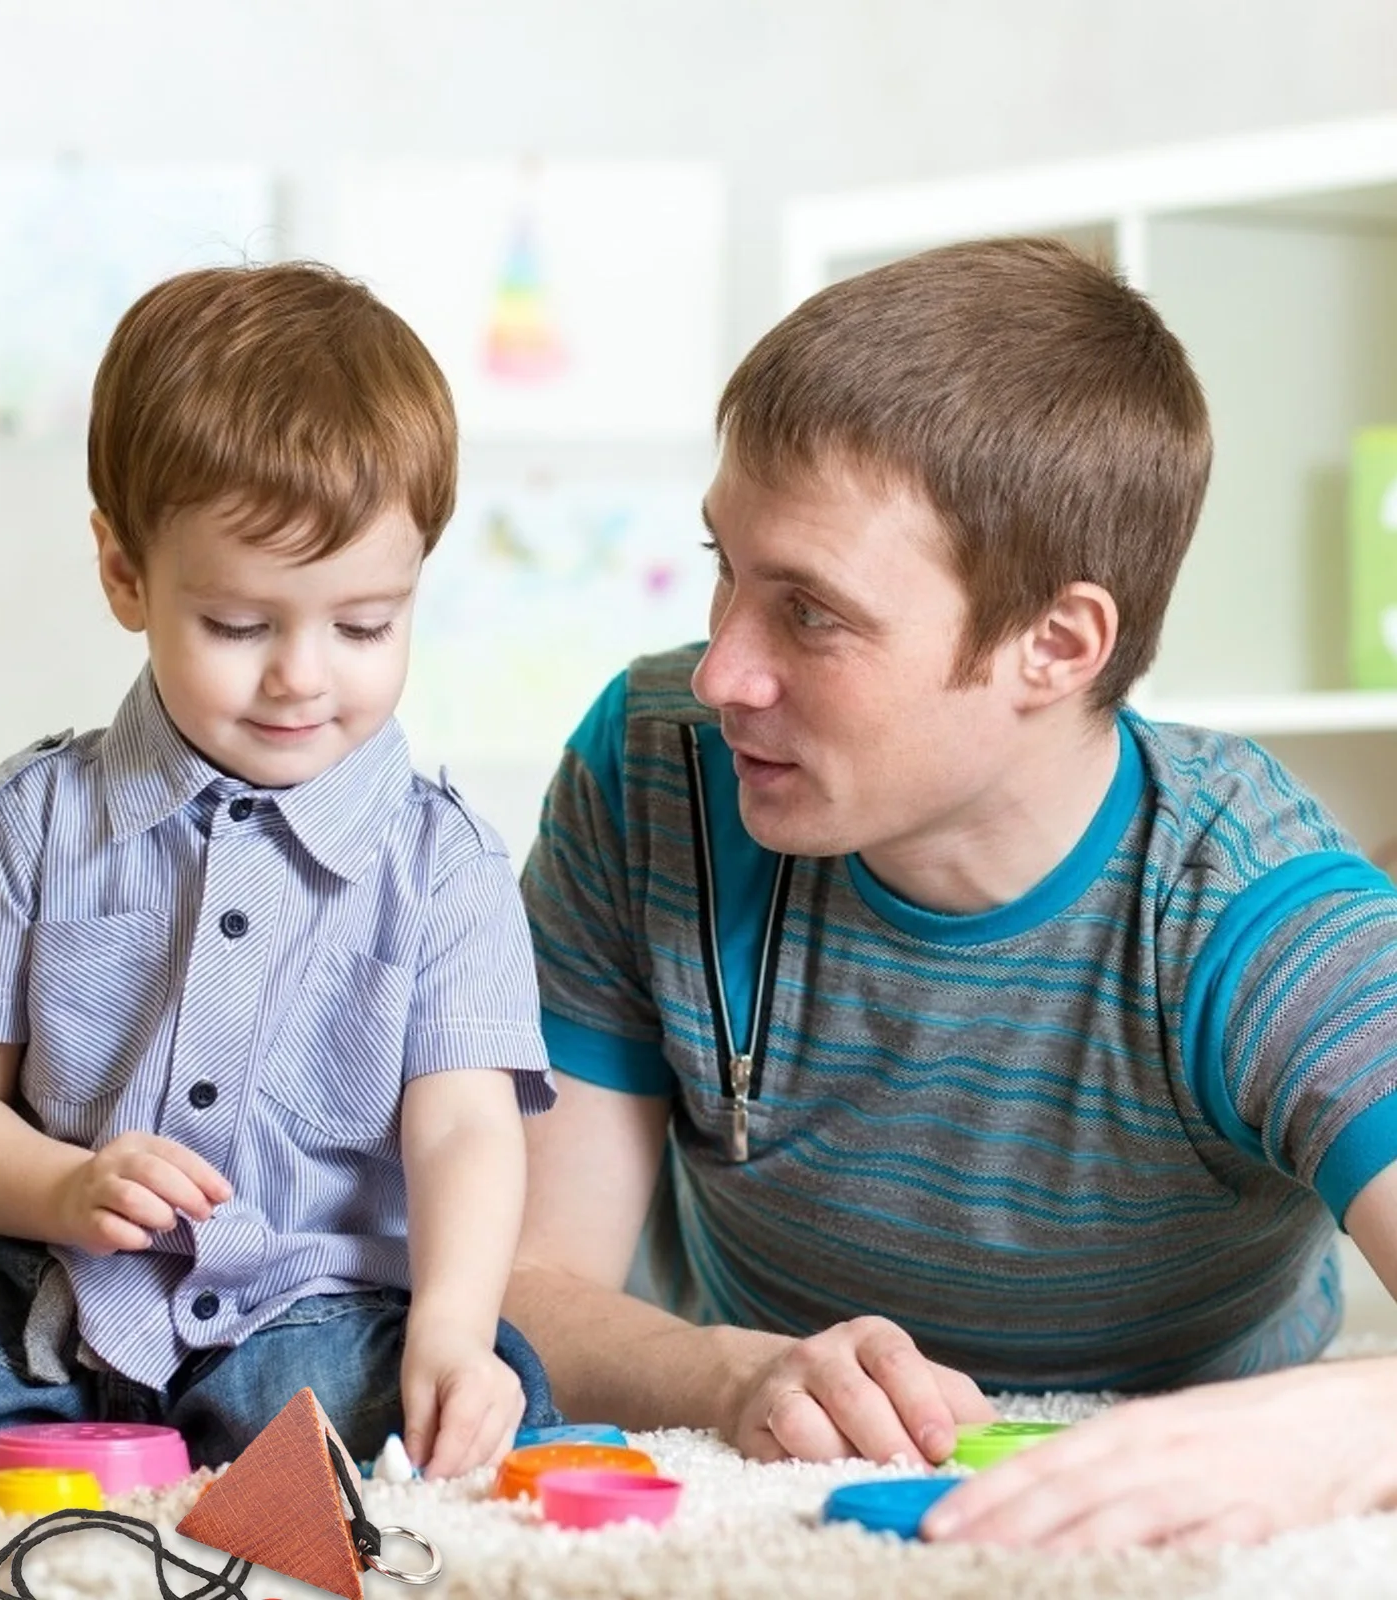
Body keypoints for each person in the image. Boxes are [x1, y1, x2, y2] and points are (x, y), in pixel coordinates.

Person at [506, 236, 1397, 1548]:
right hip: (782, 1481)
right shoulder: (652, 771)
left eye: (809, 614)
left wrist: (1327, 1428)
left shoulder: (1257, 913)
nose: (721, 674)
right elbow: (524, 1281)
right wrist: (735, 1375)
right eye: (726, 572)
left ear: (1055, 644)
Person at [0, 261, 557, 1481]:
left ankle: (246, 1430)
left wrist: (454, 1332)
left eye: (365, 625)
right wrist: (63, 1185)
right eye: (241, 626)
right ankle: (114, 1427)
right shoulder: (30, 820)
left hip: (301, 1309)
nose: (304, 675)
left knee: (453, 1407)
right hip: (29, 1303)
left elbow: (465, 1125)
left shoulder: (444, 864)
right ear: (125, 575)